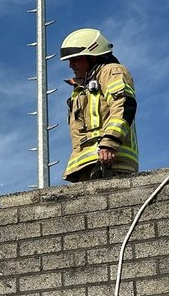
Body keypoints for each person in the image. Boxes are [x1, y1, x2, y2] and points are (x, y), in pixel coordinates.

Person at [59, 28, 139, 182]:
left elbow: (123, 105)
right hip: (88, 165)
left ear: (93, 57)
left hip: (112, 161)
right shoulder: (82, 87)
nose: (70, 65)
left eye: (75, 59)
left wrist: (109, 144)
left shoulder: (112, 72)